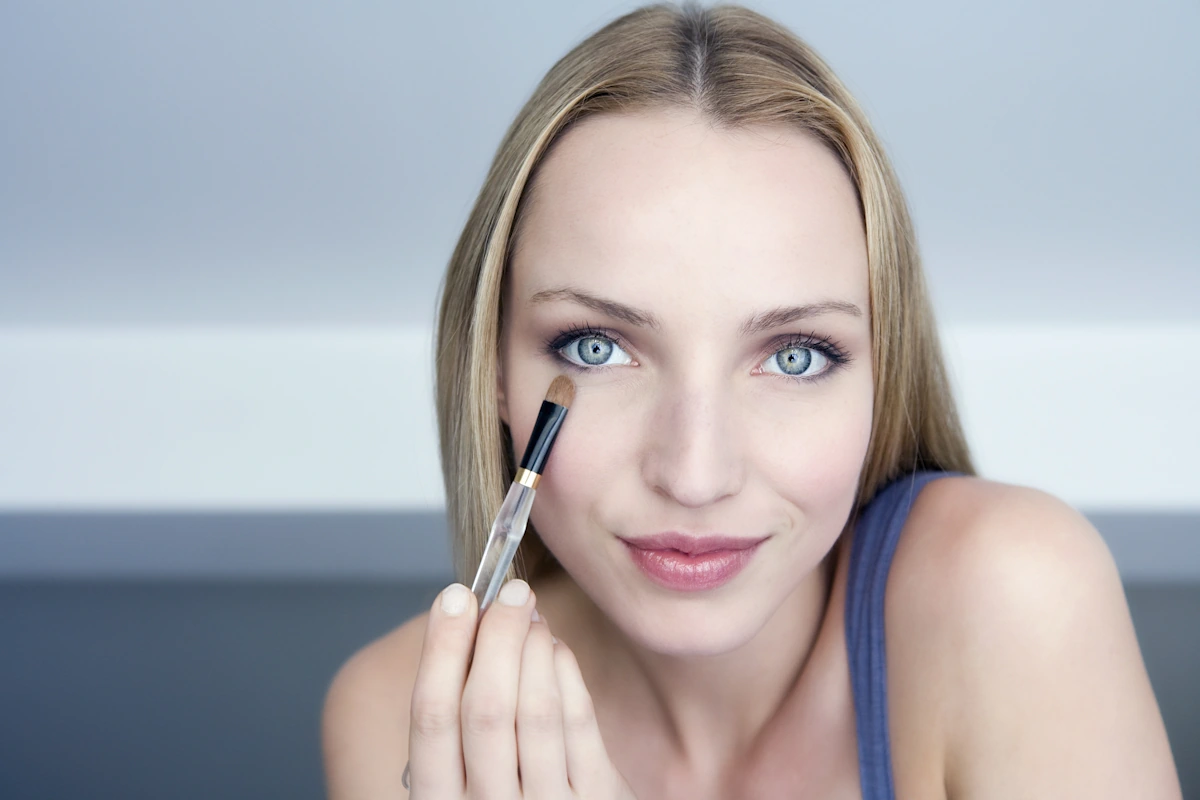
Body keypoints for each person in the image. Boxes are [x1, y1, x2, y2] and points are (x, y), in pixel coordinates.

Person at [320, 3, 1182, 797]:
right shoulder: (398, 715)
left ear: (884, 378)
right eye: (599, 348)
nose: (696, 475)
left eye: (797, 357)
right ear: (494, 376)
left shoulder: (1015, 593)